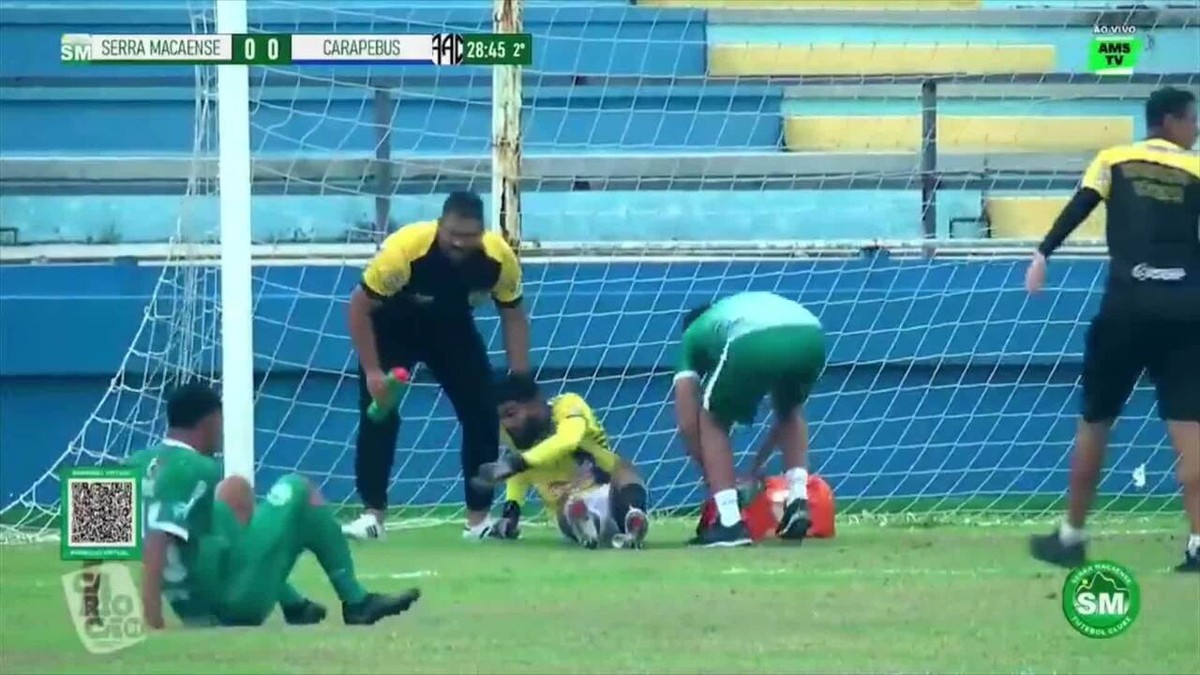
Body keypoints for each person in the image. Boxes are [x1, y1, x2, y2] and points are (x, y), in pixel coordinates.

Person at [1025, 86, 1199, 573]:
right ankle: (1199, 544)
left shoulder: (1113, 158)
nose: (1196, 128)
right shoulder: (1198, 168)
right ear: (1169, 121)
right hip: (1186, 313)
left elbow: (1081, 204)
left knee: (1095, 422)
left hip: (1126, 308)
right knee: (1190, 427)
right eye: (1193, 120)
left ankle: (1072, 536)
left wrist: (1043, 253)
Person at [91, 383, 421, 629]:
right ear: (210, 421)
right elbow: (158, 541)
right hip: (233, 603)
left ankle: (295, 605)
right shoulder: (198, 468)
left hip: (190, 604)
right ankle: (357, 601)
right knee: (298, 489)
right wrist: (153, 620)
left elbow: (90, 539)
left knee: (233, 493)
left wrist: (90, 612)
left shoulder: (133, 463)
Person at [343, 191, 533, 541]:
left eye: (469, 237)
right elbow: (357, 308)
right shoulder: (404, 251)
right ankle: (372, 516)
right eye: (452, 235)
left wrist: (520, 382)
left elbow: (514, 316)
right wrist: (372, 372)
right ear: (440, 226)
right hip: (391, 327)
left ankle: (478, 521)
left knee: (481, 413)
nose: (459, 244)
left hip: (451, 328)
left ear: (482, 233)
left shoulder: (498, 259)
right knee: (379, 413)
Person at [673, 291, 826, 547]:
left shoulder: (692, 336)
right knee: (790, 408)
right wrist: (755, 467)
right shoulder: (732, 312)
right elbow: (783, 420)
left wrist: (719, 482)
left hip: (750, 339)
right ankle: (798, 499)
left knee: (711, 418)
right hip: (811, 331)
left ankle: (730, 522)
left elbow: (688, 423)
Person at [471, 373, 650, 550]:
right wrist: (511, 513)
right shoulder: (517, 438)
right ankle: (587, 526)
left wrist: (515, 464)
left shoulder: (568, 405)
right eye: (501, 418)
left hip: (610, 493)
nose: (507, 424)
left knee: (625, 470)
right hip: (568, 506)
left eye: (511, 413)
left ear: (535, 403)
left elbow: (568, 439)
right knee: (567, 504)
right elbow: (518, 475)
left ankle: (632, 517)